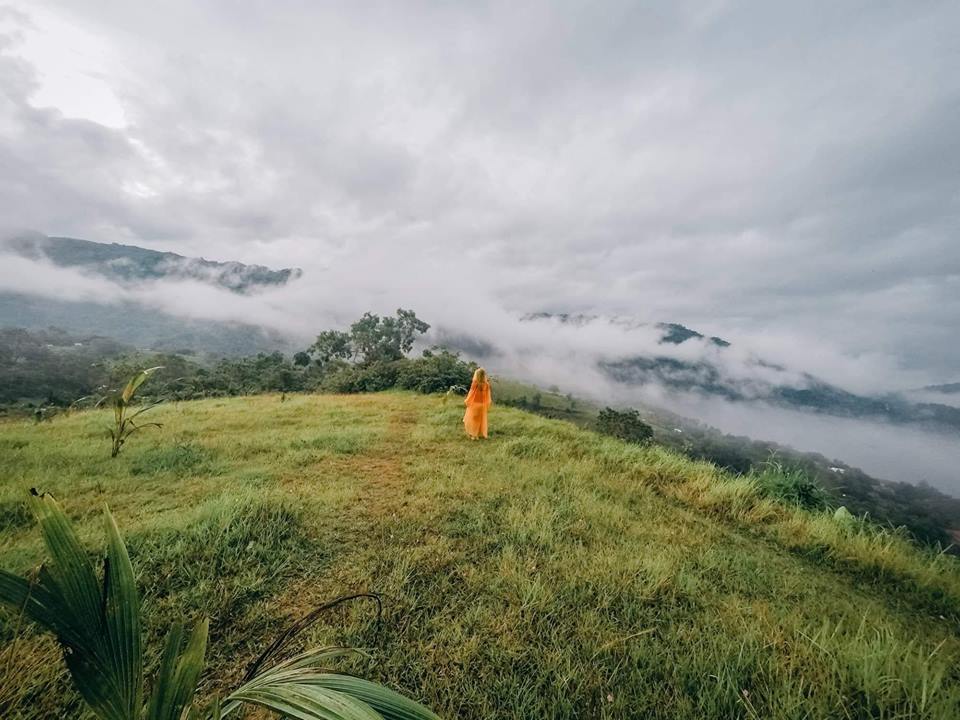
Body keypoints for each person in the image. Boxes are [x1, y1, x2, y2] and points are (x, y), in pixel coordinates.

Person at [463, 367, 492, 440]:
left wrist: (467, 401)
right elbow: (488, 396)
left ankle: (473, 435)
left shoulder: (475, 383)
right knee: (480, 421)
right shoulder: (487, 384)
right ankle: (478, 434)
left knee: (473, 420)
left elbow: (471, 393)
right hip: (482, 405)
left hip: (474, 405)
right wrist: (487, 404)